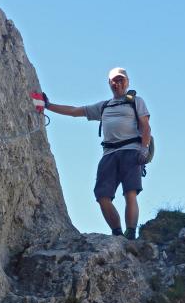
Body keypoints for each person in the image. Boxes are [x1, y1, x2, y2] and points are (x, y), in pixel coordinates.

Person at [42, 68, 151, 240]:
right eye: (114, 81)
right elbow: (74, 111)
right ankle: (117, 233)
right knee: (102, 196)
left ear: (127, 82)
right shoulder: (104, 106)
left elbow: (145, 126)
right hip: (109, 153)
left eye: (121, 80)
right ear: (109, 83)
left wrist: (144, 149)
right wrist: (48, 106)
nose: (118, 83)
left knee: (130, 192)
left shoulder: (136, 101)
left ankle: (130, 234)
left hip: (131, 151)